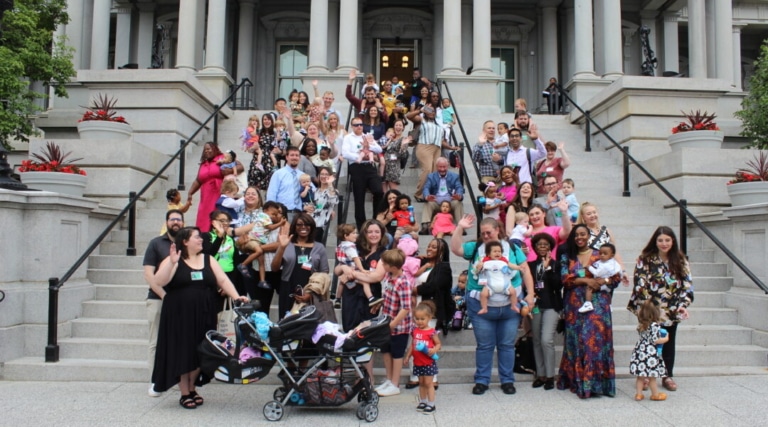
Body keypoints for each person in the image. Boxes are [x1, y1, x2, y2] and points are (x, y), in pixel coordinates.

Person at [151, 227, 249, 408]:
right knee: (182, 350)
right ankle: (184, 392)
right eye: (197, 237)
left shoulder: (208, 259)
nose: (201, 240)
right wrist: (172, 263)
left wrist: (236, 296)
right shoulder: (174, 259)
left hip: (205, 311)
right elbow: (158, 281)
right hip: (179, 313)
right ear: (185, 241)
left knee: (202, 349)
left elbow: (223, 280)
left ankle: (192, 386)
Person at [449, 215, 534, 395]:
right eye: (483, 233)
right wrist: (460, 227)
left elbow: (525, 270)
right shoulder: (475, 247)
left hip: (510, 305)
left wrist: (531, 294)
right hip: (481, 304)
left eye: (489, 232)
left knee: (506, 345)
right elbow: (456, 249)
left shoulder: (512, 247)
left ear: (497, 230)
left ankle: (507, 380)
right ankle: (482, 380)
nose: (486, 236)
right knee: (485, 345)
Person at [627, 226, 693, 393]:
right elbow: (640, 285)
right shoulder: (645, 259)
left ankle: (667, 375)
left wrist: (682, 305)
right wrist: (649, 308)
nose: (664, 243)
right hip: (650, 308)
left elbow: (687, 285)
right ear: (655, 241)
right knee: (649, 341)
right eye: (660, 240)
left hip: (672, 307)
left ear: (673, 241)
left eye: (667, 240)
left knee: (668, 341)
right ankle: (647, 374)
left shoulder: (680, 259)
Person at [557, 224, 618, 399]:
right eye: (576, 235)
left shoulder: (601, 253)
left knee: (593, 340)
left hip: (599, 302)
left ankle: (595, 384)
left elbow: (616, 277)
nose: (579, 237)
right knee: (577, 341)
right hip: (574, 303)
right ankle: (576, 381)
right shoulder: (567, 256)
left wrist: (601, 281)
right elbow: (565, 279)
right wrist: (586, 281)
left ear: (589, 235)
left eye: (583, 234)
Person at [143, 209, 184, 397]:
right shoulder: (156, 244)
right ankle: (155, 380)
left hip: (181, 300)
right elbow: (148, 274)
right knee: (156, 342)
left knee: (178, 341)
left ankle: (177, 378)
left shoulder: (187, 243)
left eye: (179, 219)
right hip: (158, 299)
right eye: (172, 219)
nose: (176, 222)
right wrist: (163, 295)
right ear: (166, 222)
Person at [270, 214, 329, 320]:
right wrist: (282, 247)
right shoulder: (287, 244)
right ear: (294, 227)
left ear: (312, 227)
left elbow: (324, 272)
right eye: (299, 224)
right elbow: (274, 268)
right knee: (287, 323)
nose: (303, 227)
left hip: (310, 291)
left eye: (307, 224)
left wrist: (310, 293)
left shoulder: (319, 247)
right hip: (288, 289)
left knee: (308, 326)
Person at [371, 248, 413, 397]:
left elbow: (406, 307)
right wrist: (379, 304)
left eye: (385, 263)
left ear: (394, 267)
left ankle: (395, 383)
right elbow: (388, 296)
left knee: (397, 354)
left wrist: (393, 324)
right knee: (385, 351)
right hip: (386, 320)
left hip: (399, 326)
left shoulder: (404, 283)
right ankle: (389, 379)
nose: (383, 265)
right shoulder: (389, 277)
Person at [336, 219, 388, 332]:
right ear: (364, 233)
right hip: (350, 292)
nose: (373, 235)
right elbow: (336, 271)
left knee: (366, 330)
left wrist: (352, 273)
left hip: (370, 296)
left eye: (377, 232)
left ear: (382, 233)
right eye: (370, 232)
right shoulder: (354, 248)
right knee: (348, 328)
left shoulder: (384, 253)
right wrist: (343, 267)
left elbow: (376, 277)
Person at [528, 233, 562, 391]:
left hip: (551, 305)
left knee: (546, 340)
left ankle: (550, 376)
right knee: (536, 340)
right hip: (535, 306)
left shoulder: (555, 265)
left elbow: (557, 285)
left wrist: (548, 268)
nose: (542, 247)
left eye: (545, 244)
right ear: (534, 247)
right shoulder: (530, 265)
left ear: (550, 247)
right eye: (539, 244)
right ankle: (540, 374)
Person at [187, 142, 243, 232]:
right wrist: (190, 193)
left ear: (215, 149)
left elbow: (240, 167)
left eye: (209, 148)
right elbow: (198, 180)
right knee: (204, 221)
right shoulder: (203, 164)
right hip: (206, 198)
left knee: (218, 218)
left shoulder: (222, 157)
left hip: (219, 194)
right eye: (205, 149)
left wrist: (228, 170)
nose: (206, 151)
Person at [407, 106, 457, 202]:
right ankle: (419, 194)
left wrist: (451, 147)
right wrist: (420, 110)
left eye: (433, 111)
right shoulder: (421, 120)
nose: (431, 112)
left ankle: (430, 194)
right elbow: (409, 116)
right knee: (427, 170)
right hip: (424, 146)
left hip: (437, 148)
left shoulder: (439, 126)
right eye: (429, 110)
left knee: (435, 172)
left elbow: (442, 141)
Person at [341, 116, 383, 229]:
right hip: (356, 166)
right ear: (352, 126)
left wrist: (371, 146)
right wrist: (359, 156)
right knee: (359, 197)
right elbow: (345, 153)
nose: (359, 127)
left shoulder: (367, 136)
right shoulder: (348, 137)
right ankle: (361, 225)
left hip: (369, 166)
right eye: (356, 125)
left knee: (378, 191)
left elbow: (379, 149)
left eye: (361, 124)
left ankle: (376, 219)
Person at [575, 202, 629, 285]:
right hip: (590, 271)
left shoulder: (606, 230)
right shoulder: (581, 232)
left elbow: (614, 252)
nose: (593, 215)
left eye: (594, 212)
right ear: (583, 217)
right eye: (589, 214)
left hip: (607, 272)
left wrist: (623, 271)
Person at [403, 300, 441, 414]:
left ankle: (431, 404)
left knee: (429, 383)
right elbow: (413, 345)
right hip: (418, 362)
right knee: (421, 383)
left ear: (429, 318)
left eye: (422, 319)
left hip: (428, 362)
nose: (419, 322)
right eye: (417, 319)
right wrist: (408, 356)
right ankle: (423, 401)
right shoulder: (415, 331)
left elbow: (438, 344)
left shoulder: (431, 332)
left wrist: (434, 349)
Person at [630, 299, 670, 402]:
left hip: (640, 351)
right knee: (652, 377)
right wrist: (666, 339)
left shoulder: (641, 324)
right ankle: (655, 394)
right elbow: (655, 340)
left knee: (640, 376)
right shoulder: (655, 326)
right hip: (650, 353)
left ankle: (639, 394)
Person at [473, 241, 523, 315]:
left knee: (513, 292)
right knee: (483, 294)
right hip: (490, 285)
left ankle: (513, 305)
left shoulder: (503, 260)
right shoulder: (485, 260)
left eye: (499, 251)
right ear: (489, 254)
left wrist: (518, 267)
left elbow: (511, 265)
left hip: (505, 284)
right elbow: (478, 268)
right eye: (495, 251)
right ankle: (484, 308)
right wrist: (479, 266)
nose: (497, 253)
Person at [335, 224, 378, 306]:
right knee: (365, 282)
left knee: (342, 283)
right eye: (354, 233)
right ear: (346, 236)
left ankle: (338, 299)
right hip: (353, 270)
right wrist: (362, 269)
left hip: (345, 269)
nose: (356, 235)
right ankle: (371, 298)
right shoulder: (350, 247)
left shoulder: (340, 246)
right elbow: (355, 258)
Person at [419, 157, 464, 234]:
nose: (442, 169)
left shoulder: (454, 176)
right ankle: (425, 226)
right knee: (428, 203)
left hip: (449, 201)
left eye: (444, 167)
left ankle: (461, 227)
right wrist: (427, 196)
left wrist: (459, 195)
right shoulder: (431, 176)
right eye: (440, 167)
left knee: (458, 203)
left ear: (448, 166)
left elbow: (459, 187)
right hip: (436, 201)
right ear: (436, 167)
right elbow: (426, 188)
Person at [266, 146, 305, 222]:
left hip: (299, 214)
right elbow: (271, 194)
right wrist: (272, 213)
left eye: (297, 155)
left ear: (300, 158)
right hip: (283, 214)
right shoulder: (278, 174)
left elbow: (312, 192)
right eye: (292, 155)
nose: (294, 157)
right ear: (286, 157)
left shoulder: (303, 176)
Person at [582, 243, 622, 313]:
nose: (602, 255)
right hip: (604, 286)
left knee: (589, 288)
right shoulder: (610, 263)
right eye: (600, 253)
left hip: (602, 283)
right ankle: (610, 305)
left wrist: (589, 267)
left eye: (605, 253)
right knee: (608, 292)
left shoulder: (606, 265)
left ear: (612, 255)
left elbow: (597, 273)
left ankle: (588, 303)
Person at [247, 114, 277, 190]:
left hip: (270, 161)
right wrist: (253, 148)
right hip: (258, 160)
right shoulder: (258, 132)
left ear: (272, 121)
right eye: (265, 119)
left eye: (268, 119)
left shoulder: (275, 134)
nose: (267, 121)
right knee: (255, 182)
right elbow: (249, 149)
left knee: (271, 183)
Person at [311, 166, 339, 242]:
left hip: (321, 225)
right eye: (322, 174)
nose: (324, 176)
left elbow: (334, 201)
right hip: (310, 223)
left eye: (326, 174)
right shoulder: (315, 190)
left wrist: (330, 184)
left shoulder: (333, 191)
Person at [382, 121, 411, 192]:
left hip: (393, 168)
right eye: (396, 125)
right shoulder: (390, 137)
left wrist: (403, 146)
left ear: (403, 128)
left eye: (400, 125)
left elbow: (402, 155)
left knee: (393, 194)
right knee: (383, 194)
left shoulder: (404, 139)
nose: (398, 127)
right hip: (383, 166)